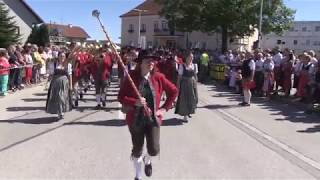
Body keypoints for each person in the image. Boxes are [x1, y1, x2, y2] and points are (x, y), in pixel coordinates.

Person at [118, 50, 178, 180]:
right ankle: (138, 175)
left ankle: (148, 159)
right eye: (148, 60)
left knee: (154, 149)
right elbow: (121, 96)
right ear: (140, 63)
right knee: (137, 149)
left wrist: (164, 109)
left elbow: (174, 91)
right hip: (135, 119)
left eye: (153, 60)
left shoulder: (158, 77)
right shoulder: (131, 77)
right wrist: (135, 102)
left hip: (153, 119)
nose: (151, 63)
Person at [46, 52, 72, 119]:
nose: (62, 57)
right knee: (56, 98)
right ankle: (59, 112)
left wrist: (71, 85)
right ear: (58, 57)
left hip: (64, 82)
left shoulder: (68, 65)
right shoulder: (54, 64)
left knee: (62, 97)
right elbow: (51, 74)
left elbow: (70, 75)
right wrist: (47, 83)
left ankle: (62, 111)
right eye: (61, 56)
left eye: (63, 56)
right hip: (55, 82)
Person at [175, 51, 198, 122]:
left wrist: (196, 84)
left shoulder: (194, 65)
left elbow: (195, 76)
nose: (191, 58)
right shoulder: (182, 66)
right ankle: (185, 115)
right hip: (184, 84)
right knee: (184, 99)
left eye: (192, 57)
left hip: (192, 83)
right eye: (190, 57)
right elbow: (179, 77)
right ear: (186, 58)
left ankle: (190, 111)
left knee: (193, 98)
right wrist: (178, 85)